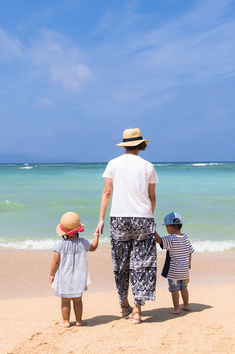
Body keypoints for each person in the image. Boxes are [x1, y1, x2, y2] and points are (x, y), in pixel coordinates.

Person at [97, 128, 158, 324]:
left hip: (119, 218)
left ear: (124, 145)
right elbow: (152, 197)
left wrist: (101, 219)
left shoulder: (113, 164)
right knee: (142, 263)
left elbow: (107, 192)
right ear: (141, 145)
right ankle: (138, 310)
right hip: (142, 218)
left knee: (121, 262)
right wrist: (149, 217)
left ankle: (124, 304)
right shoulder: (148, 166)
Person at [49, 211, 99, 327]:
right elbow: (93, 247)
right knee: (77, 300)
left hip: (64, 277)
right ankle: (79, 320)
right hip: (79, 277)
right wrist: (96, 237)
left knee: (65, 300)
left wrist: (52, 274)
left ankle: (66, 321)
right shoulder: (83, 242)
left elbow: (55, 262)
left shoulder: (60, 245)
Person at [155, 211, 194, 315]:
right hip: (185, 271)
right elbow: (190, 251)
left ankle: (176, 308)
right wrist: (189, 263)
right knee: (184, 288)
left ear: (169, 227)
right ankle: (186, 305)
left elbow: (159, 241)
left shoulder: (171, 239)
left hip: (174, 272)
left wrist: (153, 231)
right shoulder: (185, 238)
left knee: (174, 289)